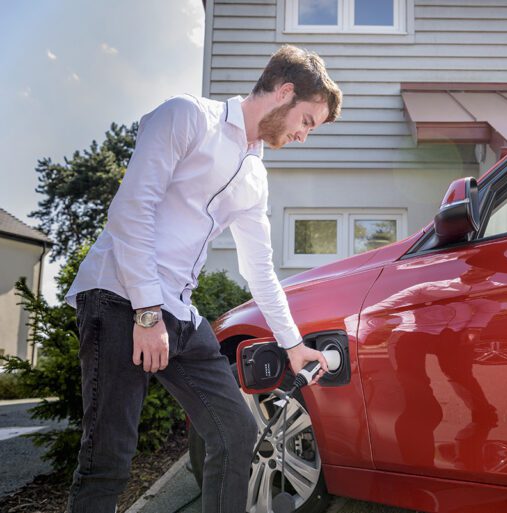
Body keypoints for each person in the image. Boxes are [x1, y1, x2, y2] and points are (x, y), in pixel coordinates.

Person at [64, 45, 342, 512]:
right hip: (118, 295)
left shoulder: (254, 174)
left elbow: (259, 269)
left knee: (237, 431)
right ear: (285, 92)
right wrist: (146, 312)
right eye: (307, 121)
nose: (303, 135)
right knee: (108, 456)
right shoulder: (187, 116)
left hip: (176, 311)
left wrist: (293, 345)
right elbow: (132, 210)